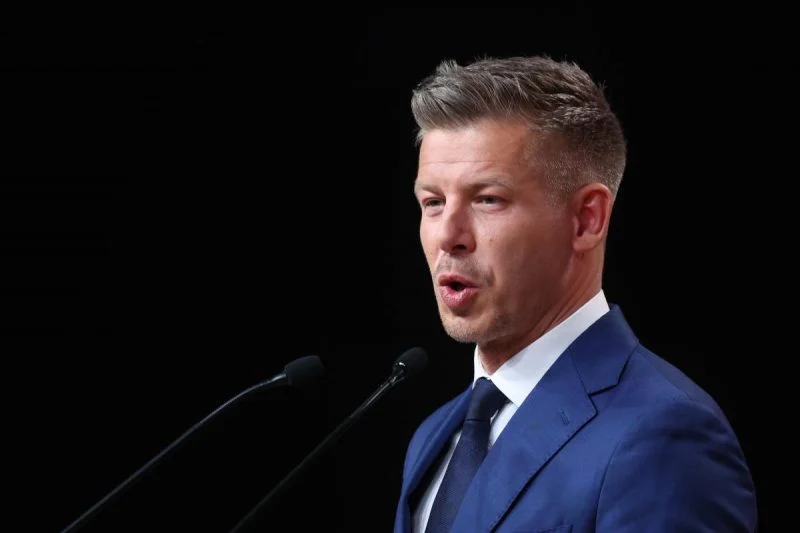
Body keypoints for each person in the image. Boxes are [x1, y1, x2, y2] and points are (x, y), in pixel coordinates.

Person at [393, 55, 757, 532]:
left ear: (587, 219)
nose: (448, 235)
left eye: (488, 199)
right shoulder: (434, 436)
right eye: (434, 202)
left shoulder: (664, 436)